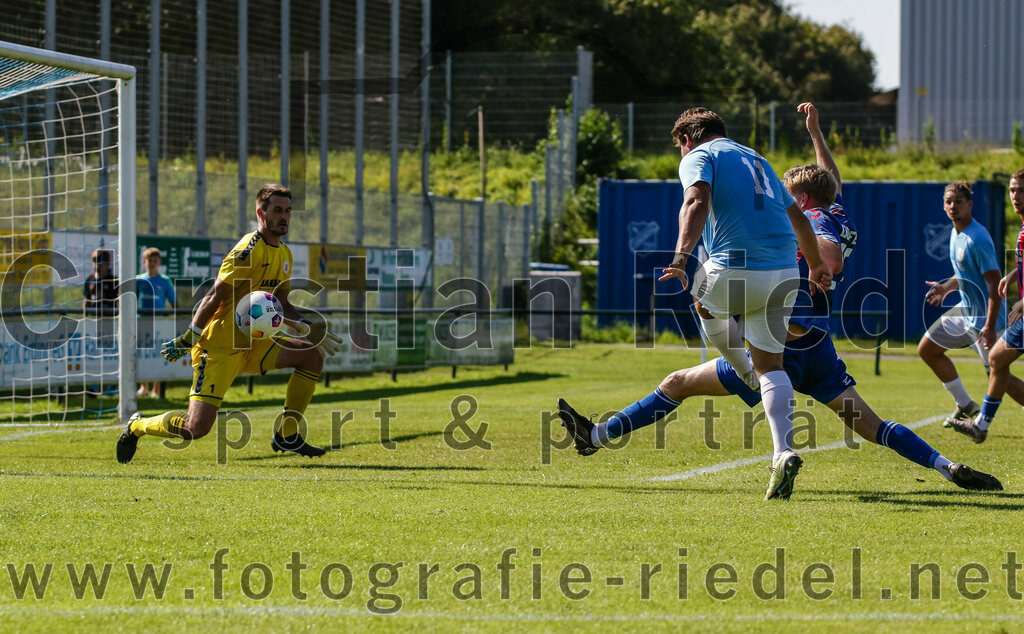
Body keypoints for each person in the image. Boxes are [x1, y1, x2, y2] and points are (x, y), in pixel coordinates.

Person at [559, 103, 1003, 496]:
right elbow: (829, 180)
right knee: (873, 425)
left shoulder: (807, 219)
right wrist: (815, 132)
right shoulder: (833, 209)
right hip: (818, 348)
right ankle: (947, 467)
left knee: (683, 378)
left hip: (785, 337)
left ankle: (604, 434)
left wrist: (812, 265)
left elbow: (823, 252)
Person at [656, 107, 833, 499]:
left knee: (701, 299)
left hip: (734, 268)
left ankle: (744, 372)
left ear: (686, 139)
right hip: (785, 272)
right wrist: (816, 265)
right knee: (774, 365)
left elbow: (695, 202)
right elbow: (799, 220)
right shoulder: (756, 157)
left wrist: (681, 258)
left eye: (678, 147)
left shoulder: (699, 156)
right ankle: (783, 452)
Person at [116, 184, 342, 463]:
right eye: (277, 210)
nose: (284, 217)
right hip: (221, 347)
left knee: (310, 356)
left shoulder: (285, 254)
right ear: (261, 213)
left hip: (256, 342)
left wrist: (306, 325)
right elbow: (213, 296)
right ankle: (137, 425)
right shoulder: (247, 251)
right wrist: (189, 337)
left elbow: (282, 304)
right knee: (195, 428)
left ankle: (287, 435)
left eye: (288, 211)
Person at [916, 181, 1023, 428]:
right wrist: (946, 287)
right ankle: (965, 405)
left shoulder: (977, 238)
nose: (953, 207)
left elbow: (995, 287)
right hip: (965, 313)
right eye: (948, 202)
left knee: (999, 377)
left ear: (970, 205)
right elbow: (965, 274)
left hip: (986, 320)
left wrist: (989, 326)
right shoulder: (956, 233)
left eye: (959, 202)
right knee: (927, 349)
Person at [949, 169, 1024, 442]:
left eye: (1021, 191)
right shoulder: (1023, 227)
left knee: (995, 361)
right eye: (1013, 190)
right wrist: (1015, 273)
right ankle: (980, 424)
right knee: (996, 361)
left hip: (1009, 312)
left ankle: (980, 423)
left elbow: (989, 285)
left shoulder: (977, 237)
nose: (1015, 196)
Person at [137, 247, 178, 399]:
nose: (152, 263)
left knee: (158, 355)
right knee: (142, 355)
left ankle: (156, 389)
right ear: (144, 262)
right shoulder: (138, 280)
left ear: (159, 262)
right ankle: (143, 387)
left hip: (159, 323)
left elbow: (174, 303)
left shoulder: (165, 281)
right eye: (149, 261)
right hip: (142, 321)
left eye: (155, 261)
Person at [83, 248, 117, 314]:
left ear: (107, 264)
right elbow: (87, 300)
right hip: (93, 318)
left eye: (100, 263)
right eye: (95, 262)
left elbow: (119, 301)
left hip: (109, 319)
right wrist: (85, 316)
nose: (97, 266)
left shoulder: (114, 281)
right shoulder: (89, 280)